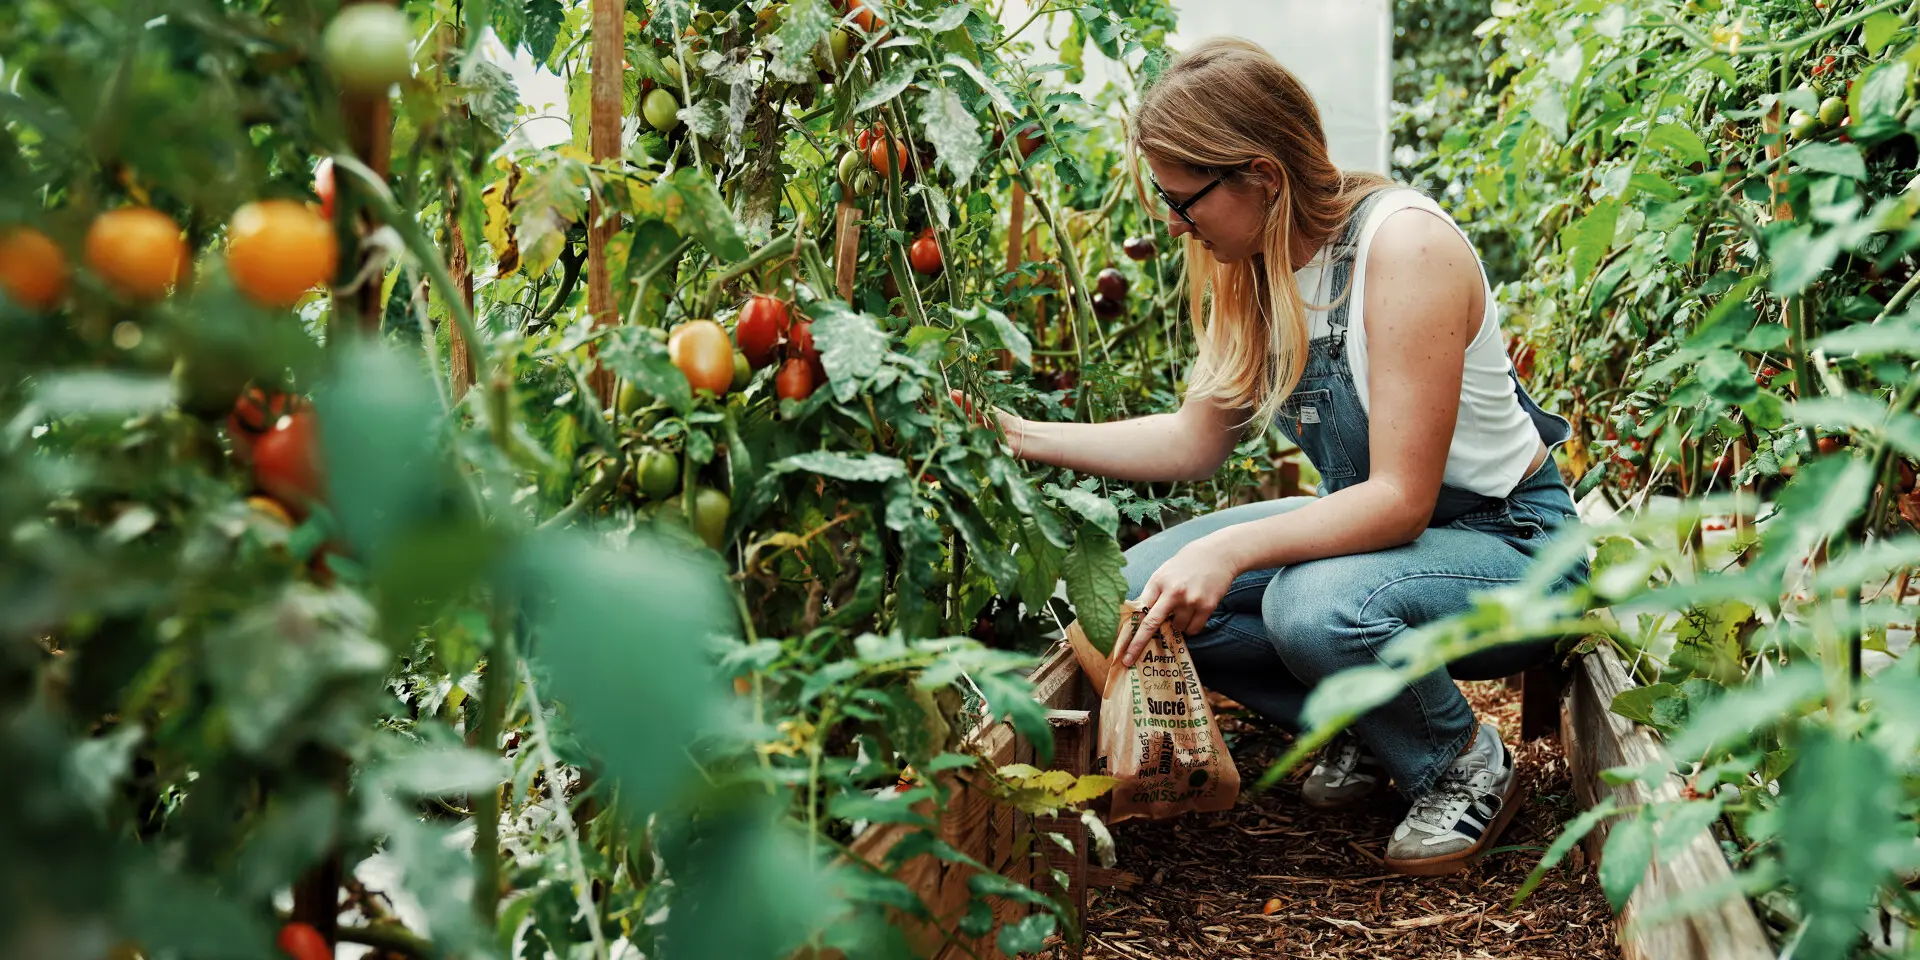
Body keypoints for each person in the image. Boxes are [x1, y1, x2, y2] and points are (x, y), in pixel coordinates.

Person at [950, 38, 1588, 876]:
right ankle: (1368, 725)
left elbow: (1399, 497)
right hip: (1381, 546)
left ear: (1261, 176)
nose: (1174, 223)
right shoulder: (1254, 265)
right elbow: (1193, 439)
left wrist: (1227, 548)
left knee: (1308, 605)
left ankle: (1460, 762)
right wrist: (1015, 435)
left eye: (1185, 201)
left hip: (1512, 549)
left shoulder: (1404, 250)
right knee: (1138, 606)